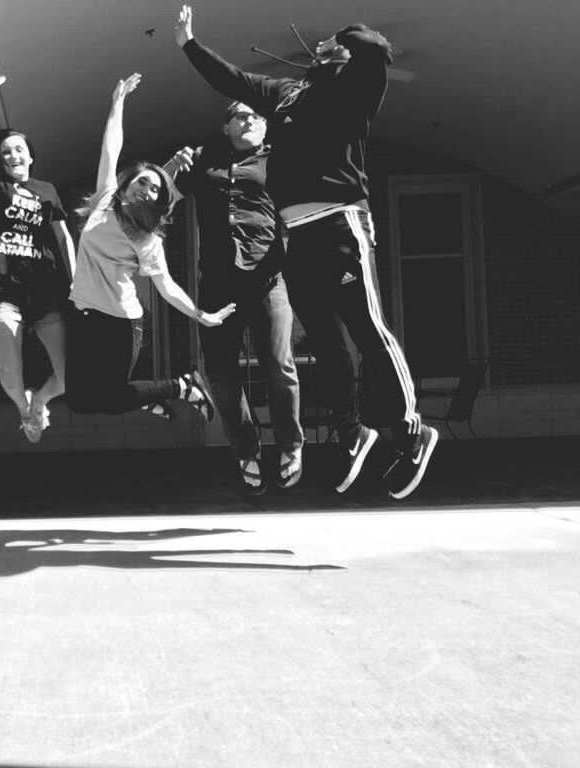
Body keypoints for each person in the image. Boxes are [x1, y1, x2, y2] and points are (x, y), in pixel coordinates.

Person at [174, 5, 438, 500]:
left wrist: (341, 36)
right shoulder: (284, 93)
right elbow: (233, 80)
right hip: (297, 237)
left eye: (336, 52)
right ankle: (351, 430)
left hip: (340, 223)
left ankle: (411, 431)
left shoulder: (354, 92)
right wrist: (190, 45)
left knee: (366, 328)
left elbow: (376, 47)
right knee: (325, 339)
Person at [65, 73, 235, 420]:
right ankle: (145, 399)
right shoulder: (104, 201)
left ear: (159, 201)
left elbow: (167, 288)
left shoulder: (147, 239)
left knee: (107, 397)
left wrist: (201, 315)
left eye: (156, 189)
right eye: (143, 182)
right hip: (83, 315)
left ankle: (184, 387)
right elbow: (110, 149)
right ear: (127, 187)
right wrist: (117, 104)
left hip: (119, 324)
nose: (148, 189)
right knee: (79, 401)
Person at [165, 100, 304, 494]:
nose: (249, 120)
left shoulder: (279, 161)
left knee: (279, 364)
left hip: (266, 277)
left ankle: (291, 446)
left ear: (265, 128)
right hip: (218, 283)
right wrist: (172, 169)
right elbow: (162, 198)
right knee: (221, 375)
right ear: (226, 127)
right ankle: (246, 450)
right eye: (240, 116)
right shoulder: (202, 160)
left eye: (256, 116)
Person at [0, 52, 76, 444]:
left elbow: (63, 237)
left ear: (30, 155)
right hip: (3, 289)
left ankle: (39, 402)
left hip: (44, 289)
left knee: (68, 375)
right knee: (10, 377)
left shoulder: (47, 191)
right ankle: (22, 403)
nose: (13, 154)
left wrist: (75, 282)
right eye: (6, 151)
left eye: (19, 149)